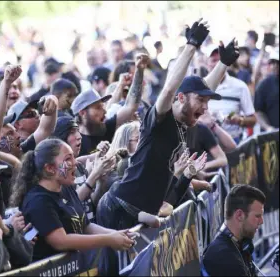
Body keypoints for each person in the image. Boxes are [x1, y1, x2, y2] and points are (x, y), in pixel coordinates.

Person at [96, 19, 240, 229]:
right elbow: (170, 89)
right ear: (181, 99)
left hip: (140, 214)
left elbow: (200, 88)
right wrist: (191, 46)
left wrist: (223, 64)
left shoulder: (184, 117)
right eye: (201, 102)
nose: (205, 108)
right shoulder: (160, 119)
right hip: (119, 208)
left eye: (206, 102)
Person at [16, 139, 135, 262]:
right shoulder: (38, 201)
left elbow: (85, 226)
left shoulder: (66, 188)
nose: (75, 163)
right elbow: (61, 241)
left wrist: (116, 234)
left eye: (73, 157)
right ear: (50, 168)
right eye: (68, 159)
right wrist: (109, 240)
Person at [72, 53, 150, 156]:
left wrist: (139, 70)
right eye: (98, 108)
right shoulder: (75, 142)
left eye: (103, 106)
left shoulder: (106, 127)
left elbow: (131, 106)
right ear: (82, 113)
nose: (104, 111)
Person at [202, 185, 265, 276]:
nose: (261, 221)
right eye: (257, 216)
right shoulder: (225, 257)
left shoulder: (240, 244)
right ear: (239, 215)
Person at [206, 44, 257, 144]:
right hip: (205, 142)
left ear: (227, 63)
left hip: (233, 140)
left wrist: (239, 120)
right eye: (213, 60)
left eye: (220, 60)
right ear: (207, 63)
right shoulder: (200, 85)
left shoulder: (240, 86)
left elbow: (253, 119)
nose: (217, 64)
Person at [254, 51, 279, 131]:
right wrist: (268, 128)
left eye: (277, 63)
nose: (274, 66)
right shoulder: (264, 85)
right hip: (272, 137)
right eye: (272, 63)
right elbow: (258, 112)